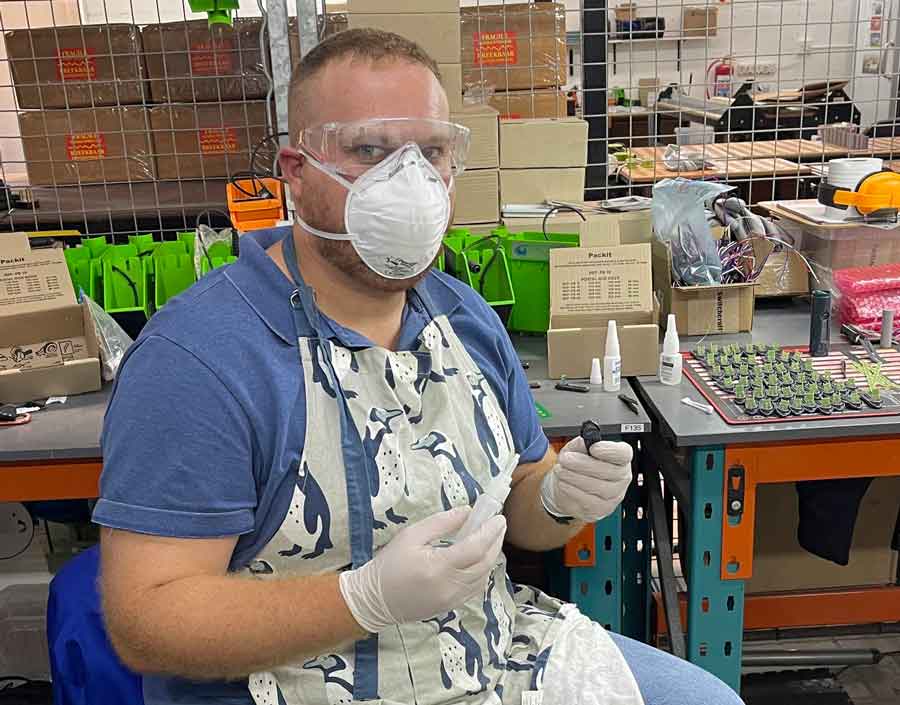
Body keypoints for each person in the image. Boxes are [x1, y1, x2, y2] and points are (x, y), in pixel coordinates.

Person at [95, 28, 744, 705]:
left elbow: (519, 503)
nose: (407, 181)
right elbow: (148, 622)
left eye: (430, 151)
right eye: (369, 150)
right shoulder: (203, 358)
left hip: (492, 655)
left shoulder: (462, 319)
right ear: (295, 170)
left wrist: (558, 498)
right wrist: (363, 599)